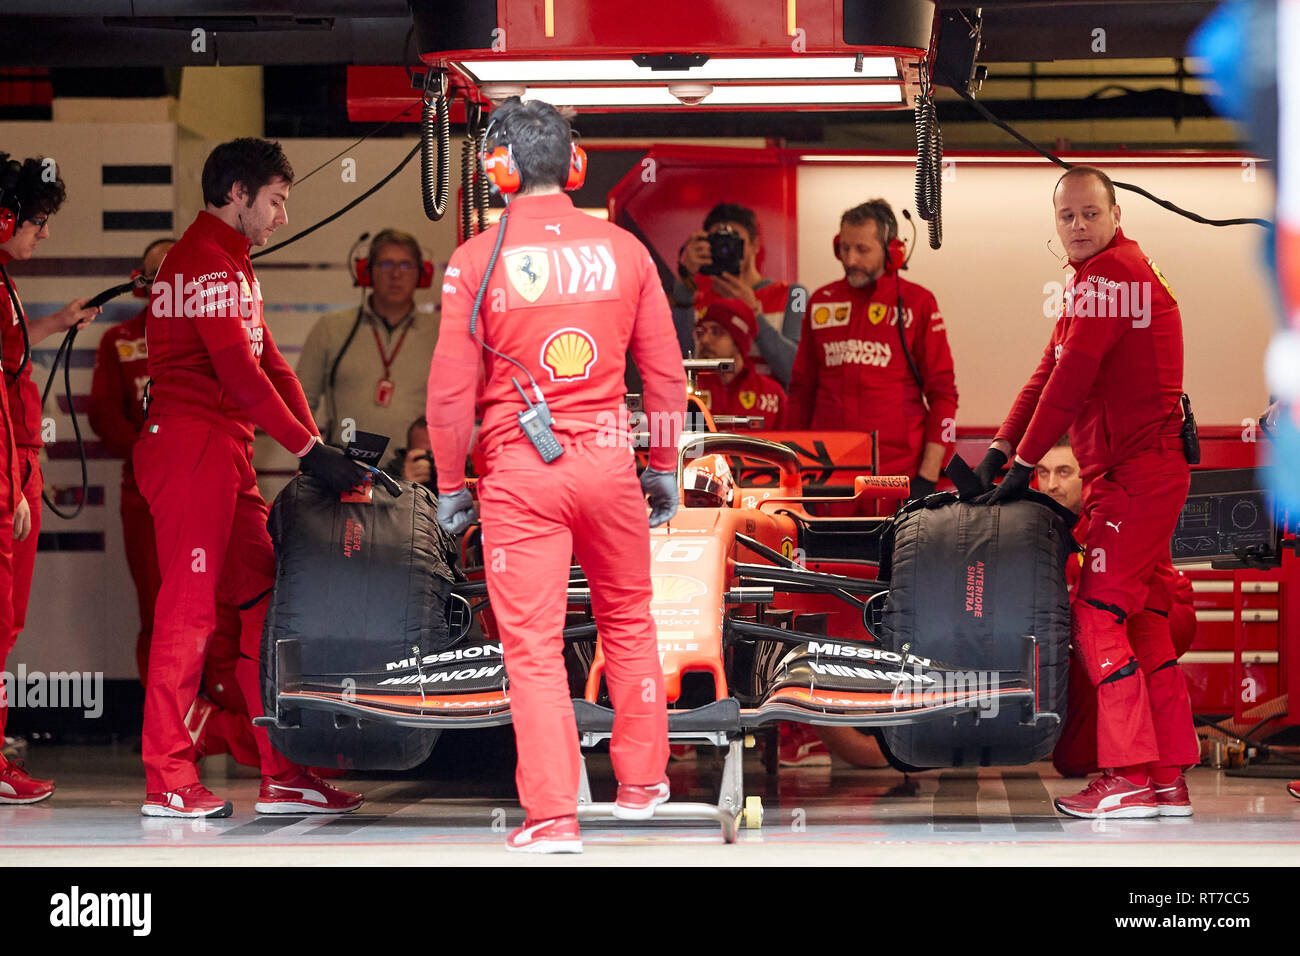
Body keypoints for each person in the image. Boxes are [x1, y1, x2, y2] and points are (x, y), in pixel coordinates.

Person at [427, 97, 687, 853]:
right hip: (611, 462)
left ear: (496, 169)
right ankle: (643, 786)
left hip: (520, 473)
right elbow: (665, 376)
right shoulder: (626, 251)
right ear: (575, 166)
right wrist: (664, 464)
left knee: (534, 648)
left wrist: (449, 484)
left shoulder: (475, 259)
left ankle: (554, 816)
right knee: (631, 621)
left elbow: (449, 393)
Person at [134, 137, 366, 817]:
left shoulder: (229, 263)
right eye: (276, 200)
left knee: (268, 600)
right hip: (189, 447)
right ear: (238, 194)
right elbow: (239, 373)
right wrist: (306, 449)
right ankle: (166, 776)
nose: (282, 216)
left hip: (221, 449)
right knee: (189, 613)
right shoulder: (206, 264)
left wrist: (318, 446)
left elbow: (272, 367)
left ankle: (284, 770)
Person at [972, 165, 1199, 819]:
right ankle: (1165, 781)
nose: (1077, 226)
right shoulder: (1096, 280)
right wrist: (997, 450)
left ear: (1115, 214)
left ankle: (1125, 773)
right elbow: (1046, 371)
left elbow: (1070, 380)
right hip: (1138, 476)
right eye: (1066, 217)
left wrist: (1023, 465)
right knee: (1146, 624)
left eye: (1089, 214)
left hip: (1136, 478)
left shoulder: (1112, 277)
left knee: (1098, 615)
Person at [0, 152, 100, 803]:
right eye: (36, 222)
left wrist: (55, 324)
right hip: (7, 471)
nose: (43, 233)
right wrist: (11, 488)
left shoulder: (2, 281)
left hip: (19, 463)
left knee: (7, 625)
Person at [1035, 437, 1196, 780]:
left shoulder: (1106, 511)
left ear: (1085, 476)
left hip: (1160, 615)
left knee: (1097, 633)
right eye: (1042, 472)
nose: (1051, 484)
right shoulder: (1045, 523)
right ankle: (1161, 758)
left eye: (1064, 472)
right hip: (1102, 627)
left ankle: (1137, 767)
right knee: (1072, 761)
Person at [783, 200, 958, 499]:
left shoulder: (919, 303)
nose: (850, 259)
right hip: (827, 473)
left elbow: (943, 396)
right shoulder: (820, 302)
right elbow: (801, 392)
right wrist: (790, 469)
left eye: (862, 250)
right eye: (844, 248)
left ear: (892, 251)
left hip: (899, 473)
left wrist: (928, 479)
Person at [89, 238, 173, 682]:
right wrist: (148, 451)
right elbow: (101, 413)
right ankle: (164, 726)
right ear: (139, 284)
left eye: (179, 273)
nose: (168, 283)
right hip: (144, 493)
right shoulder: (119, 340)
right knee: (157, 607)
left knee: (220, 606)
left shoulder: (220, 334)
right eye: (158, 274)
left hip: (209, 491)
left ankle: (217, 722)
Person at [297, 229, 439, 447]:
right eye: (385, 264)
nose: (396, 274)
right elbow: (301, 401)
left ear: (422, 274)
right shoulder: (331, 328)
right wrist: (311, 456)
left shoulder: (441, 333)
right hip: (344, 471)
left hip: (416, 472)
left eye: (406, 265)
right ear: (367, 272)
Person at [672, 202, 804, 386]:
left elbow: (798, 373)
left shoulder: (794, 294)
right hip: (709, 410)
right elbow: (676, 367)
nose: (725, 249)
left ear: (755, 245)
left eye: (735, 242)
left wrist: (755, 316)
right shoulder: (691, 302)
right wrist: (685, 280)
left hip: (771, 409)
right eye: (718, 243)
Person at [691, 299, 785, 429]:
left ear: (739, 340)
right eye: (700, 333)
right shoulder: (685, 387)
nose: (704, 340)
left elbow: (791, 443)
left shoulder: (772, 394)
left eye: (716, 332)